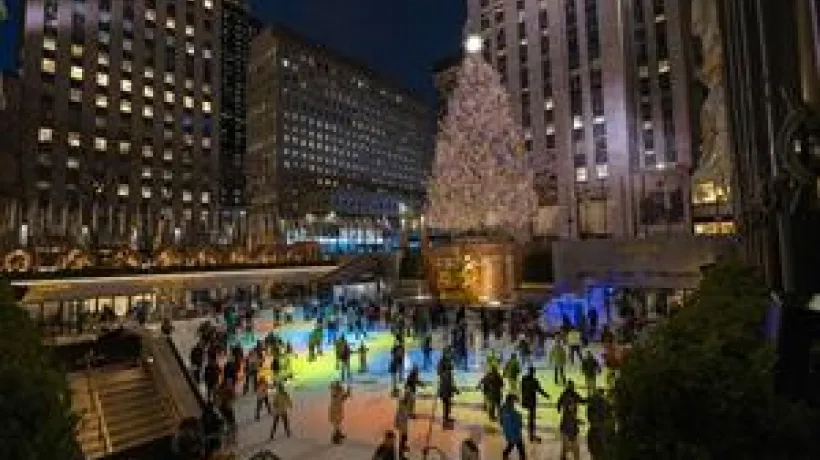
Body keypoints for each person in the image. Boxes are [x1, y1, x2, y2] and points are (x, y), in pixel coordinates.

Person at [520, 366, 550, 442]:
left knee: (530, 418)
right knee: (531, 418)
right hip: (531, 401)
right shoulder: (534, 381)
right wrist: (546, 395)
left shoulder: (524, 379)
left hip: (525, 400)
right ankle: (531, 435)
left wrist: (522, 399)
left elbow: (522, 389)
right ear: (533, 372)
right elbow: (539, 390)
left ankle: (530, 434)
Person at [586, 389, 611, 460]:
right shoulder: (605, 403)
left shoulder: (593, 405)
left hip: (596, 429)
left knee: (595, 453)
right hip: (600, 430)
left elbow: (589, 416)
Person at [500, 394, 526, 460]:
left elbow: (503, 421)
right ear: (511, 400)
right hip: (514, 431)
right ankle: (522, 457)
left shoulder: (505, 408)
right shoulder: (509, 410)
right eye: (514, 400)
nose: (514, 402)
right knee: (518, 445)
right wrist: (519, 420)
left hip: (510, 431)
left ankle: (505, 454)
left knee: (512, 444)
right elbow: (514, 420)